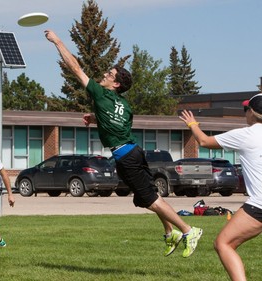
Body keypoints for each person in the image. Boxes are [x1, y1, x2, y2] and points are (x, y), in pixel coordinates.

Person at [45, 29, 202, 258]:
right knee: (147, 198)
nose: (105, 74)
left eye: (110, 74)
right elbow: (118, 125)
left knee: (151, 199)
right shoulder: (124, 105)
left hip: (126, 156)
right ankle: (170, 234)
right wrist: (96, 118)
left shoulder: (100, 94)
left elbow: (75, 68)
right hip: (134, 152)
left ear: (116, 84)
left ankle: (188, 230)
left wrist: (57, 42)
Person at [180, 94, 262, 280]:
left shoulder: (246, 134)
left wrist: (192, 124)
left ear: (252, 113)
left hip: (259, 205)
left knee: (223, 243)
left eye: (245, 110)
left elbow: (204, 142)